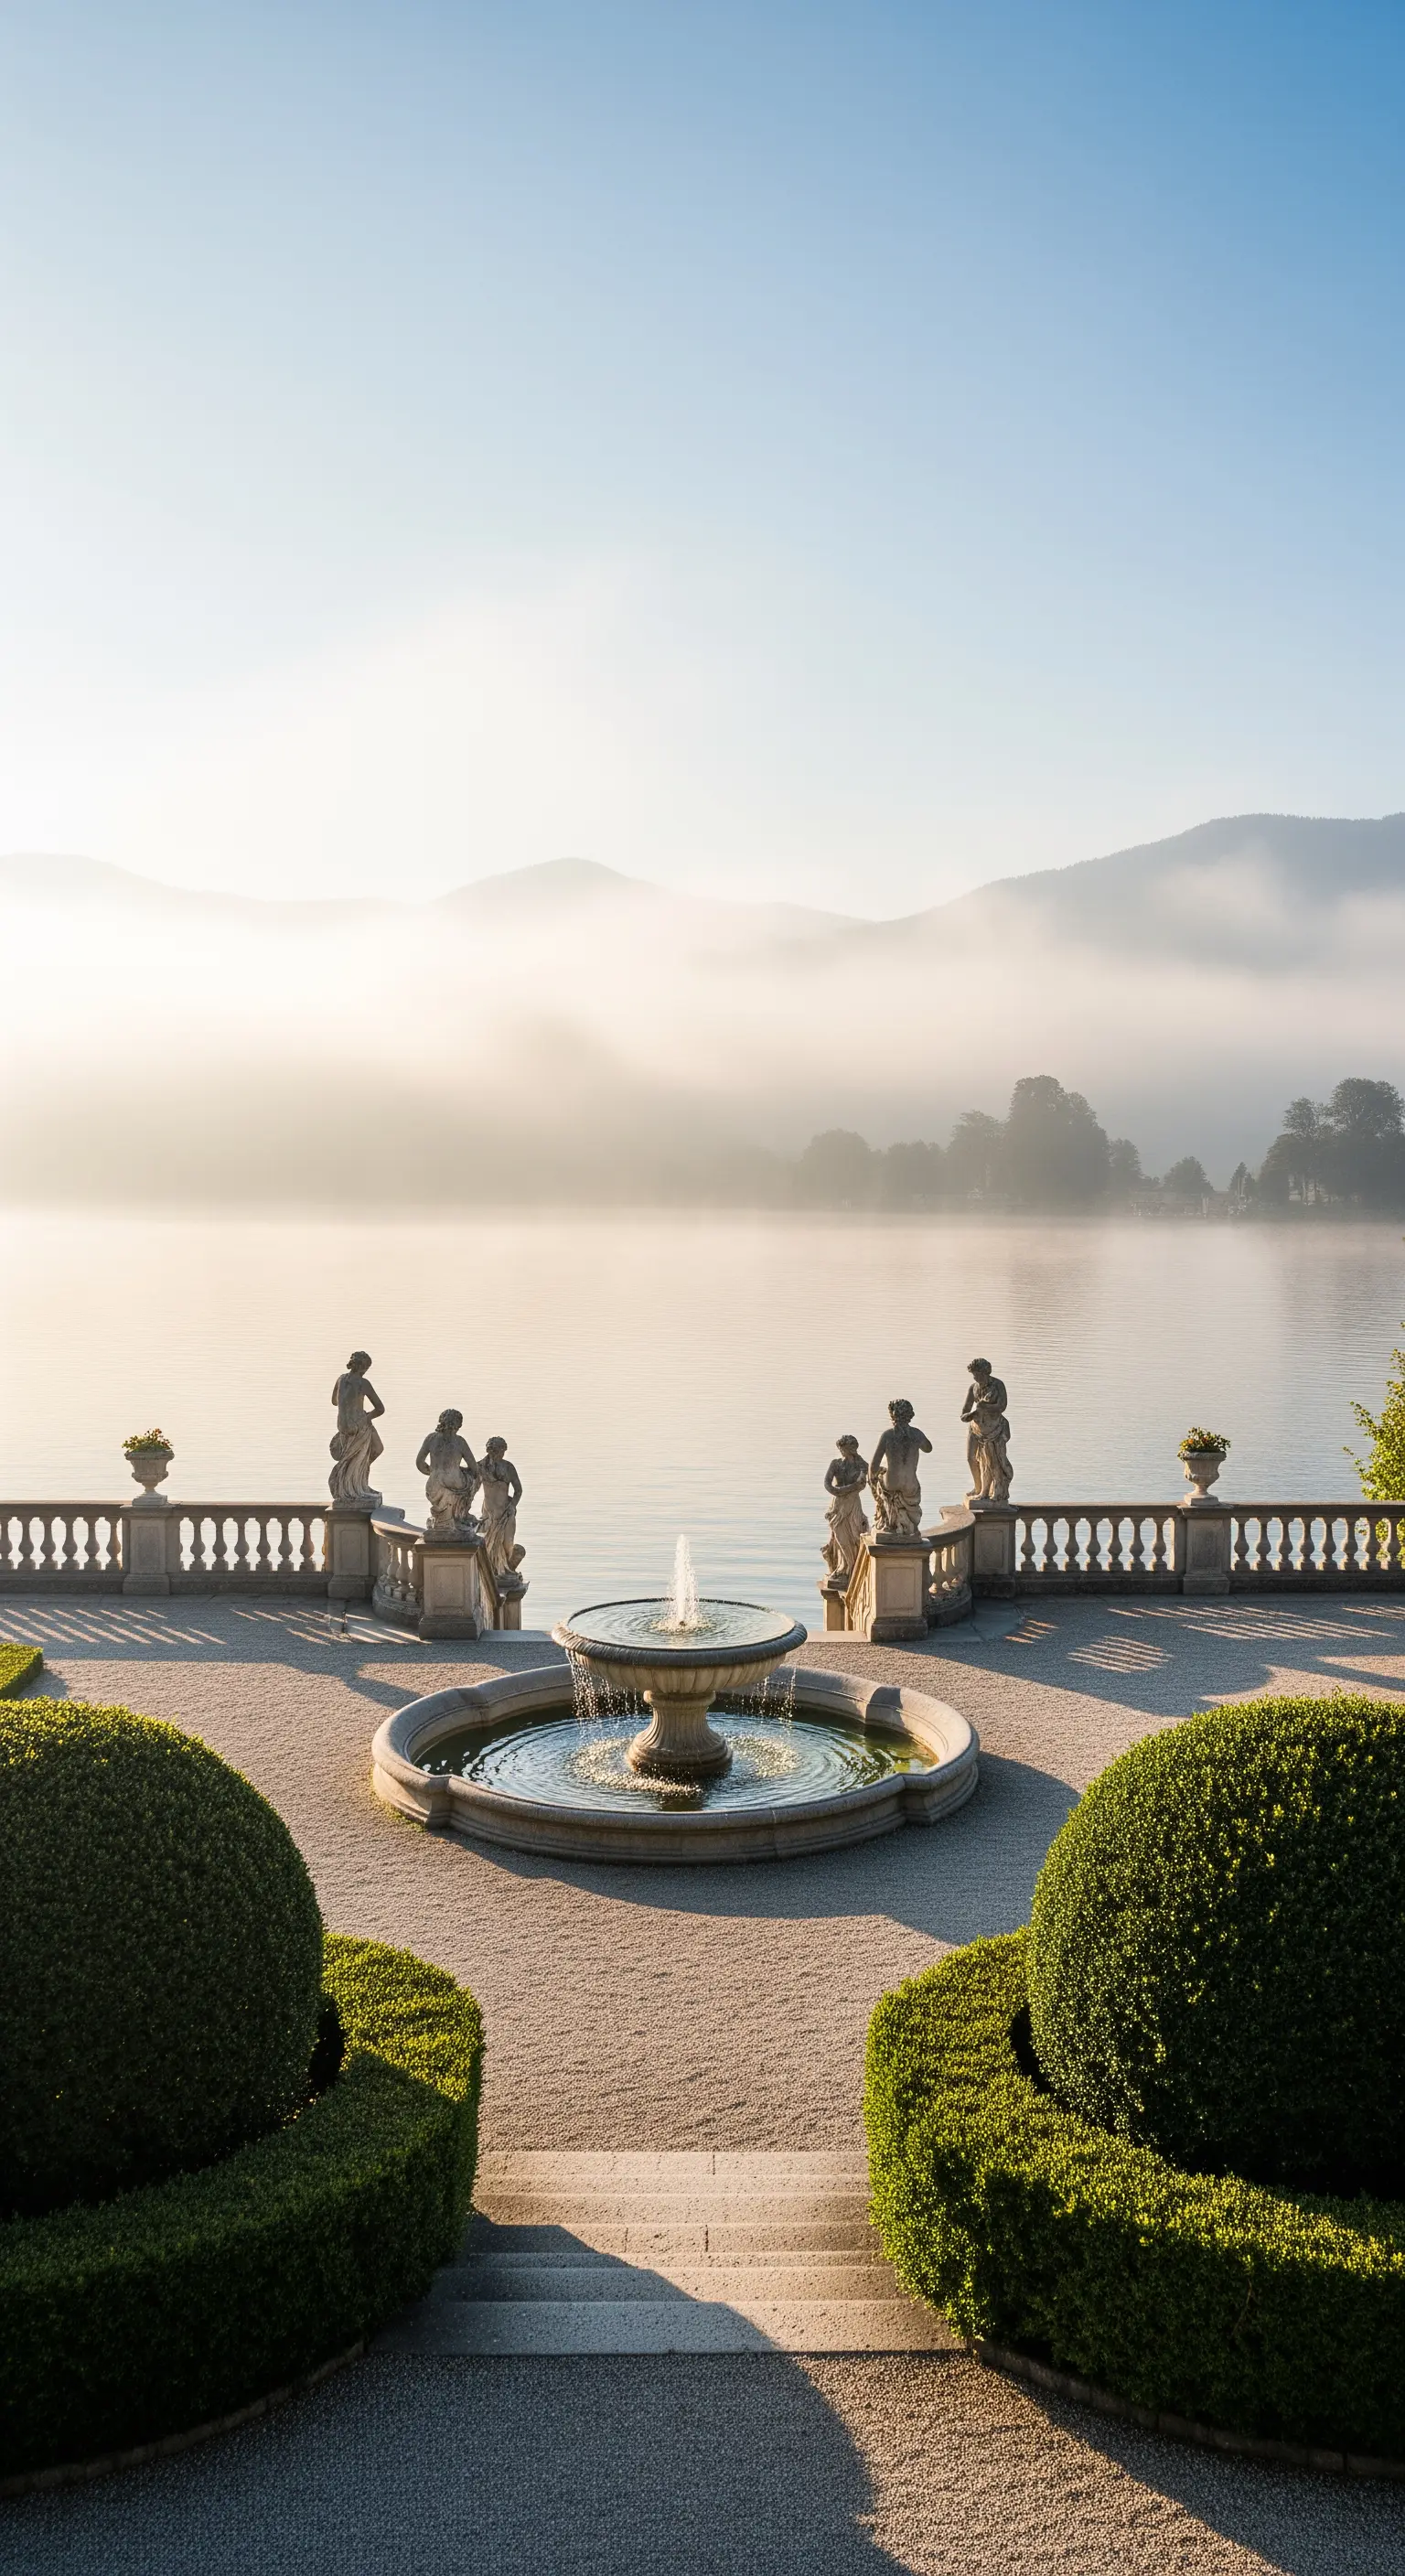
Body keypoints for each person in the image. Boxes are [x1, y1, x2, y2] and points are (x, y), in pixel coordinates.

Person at [868, 1399, 931, 1539]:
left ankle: (888, 1521)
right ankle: (906, 1525)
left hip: (891, 1483)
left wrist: (874, 1477)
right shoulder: (917, 1434)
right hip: (911, 1485)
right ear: (910, 1415)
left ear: (892, 1416)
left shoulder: (888, 1435)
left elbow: (873, 1466)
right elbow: (928, 1448)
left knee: (878, 1477)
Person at [328, 1351, 384, 1506]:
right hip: (359, 1425)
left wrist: (348, 1403)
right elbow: (380, 1409)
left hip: (343, 1426)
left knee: (358, 1456)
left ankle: (360, 1482)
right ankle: (357, 1488)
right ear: (363, 1367)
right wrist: (366, 1417)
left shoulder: (341, 1379)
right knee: (377, 1449)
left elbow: (334, 1401)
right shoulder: (363, 1383)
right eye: (366, 1367)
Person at [415, 1409, 480, 1537]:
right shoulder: (460, 1442)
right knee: (473, 1480)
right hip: (454, 1481)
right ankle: (461, 1515)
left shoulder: (431, 1438)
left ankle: (444, 1519)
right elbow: (474, 1469)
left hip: (433, 1484)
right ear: (459, 1425)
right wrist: (460, 1470)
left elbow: (419, 1463)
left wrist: (432, 1472)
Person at [962, 1358, 1012, 1502]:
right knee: (970, 1458)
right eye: (974, 1375)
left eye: (978, 1374)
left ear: (986, 1373)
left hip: (994, 1429)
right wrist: (968, 1416)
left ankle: (987, 1491)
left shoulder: (998, 1385)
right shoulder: (973, 1387)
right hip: (975, 1427)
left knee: (991, 1462)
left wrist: (985, 1407)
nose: (975, 1378)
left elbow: (1002, 1407)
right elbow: (964, 1412)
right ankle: (978, 1487)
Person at [477, 1437, 526, 1585]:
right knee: (489, 1545)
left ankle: (505, 1570)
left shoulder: (508, 1467)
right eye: (499, 1451)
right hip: (489, 1513)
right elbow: (471, 1489)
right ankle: (493, 1572)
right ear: (492, 1451)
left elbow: (518, 1490)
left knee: (507, 1543)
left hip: (506, 1512)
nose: (501, 1454)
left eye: (503, 1451)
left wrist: (513, 1506)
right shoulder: (481, 1467)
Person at [821, 1435, 870, 1582]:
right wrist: (844, 1490)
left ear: (851, 1449)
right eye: (840, 1449)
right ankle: (843, 1567)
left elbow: (862, 1485)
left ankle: (854, 1568)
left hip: (853, 1504)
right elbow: (827, 1484)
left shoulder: (862, 1466)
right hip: (838, 1505)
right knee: (839, 1534)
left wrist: (845, 1490)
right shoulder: (835, 1464)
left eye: (844, 1449)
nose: (841, 1452)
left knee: (855, 1534)